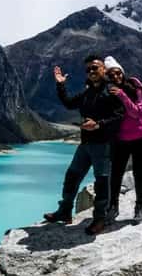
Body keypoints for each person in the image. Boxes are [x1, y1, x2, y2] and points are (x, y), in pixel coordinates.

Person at [43, 54, 124, 235]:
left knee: (102, 183)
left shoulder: (112, 90)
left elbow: (120, 116)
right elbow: (69, 103)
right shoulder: (88, 92)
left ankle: (100, 218)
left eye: (95, 67)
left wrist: (98, 124)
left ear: (103, 69)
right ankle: (65, 211)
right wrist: (60, 84)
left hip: (104, 145)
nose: (91, 71)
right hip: (86, 144)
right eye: (88, 69)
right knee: (72, 177)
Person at [104, 56, 142, 222]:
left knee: (140, 174)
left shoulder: (135, 87)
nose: (116, 77)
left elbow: (137, 113)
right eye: (111, 75)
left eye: (117, 73)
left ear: (122, 72)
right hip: (120, 140)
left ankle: (140, 207)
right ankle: (113, 206)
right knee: (116, 174)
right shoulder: (108, 91)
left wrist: (122, 95)